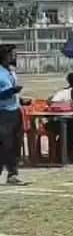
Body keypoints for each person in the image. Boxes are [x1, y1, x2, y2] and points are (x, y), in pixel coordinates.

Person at [0, 46, 25, 185]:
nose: (14, 57)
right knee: (5, 144)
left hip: (15, 111)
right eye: (12, 54)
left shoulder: (10, 71)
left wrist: (20, 99)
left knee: (16, 143)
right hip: (3, 113)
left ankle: (12, 174)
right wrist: (10, 92)